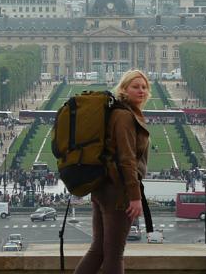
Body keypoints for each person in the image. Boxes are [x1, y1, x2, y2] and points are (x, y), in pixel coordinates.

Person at [74, 70, 151, 274]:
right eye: (136, 86)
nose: (141, 90)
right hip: (118, 191)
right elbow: (126, 160)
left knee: (98, 250)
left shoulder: (117, 111)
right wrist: (134, 197)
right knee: (114, 254)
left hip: (103, 188)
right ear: (124, 89)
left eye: (144, 87)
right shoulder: (125, 115)